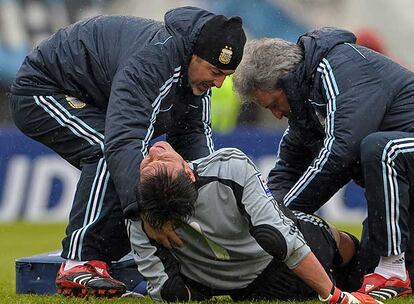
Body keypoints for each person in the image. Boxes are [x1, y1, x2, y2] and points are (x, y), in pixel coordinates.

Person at [8, 6, 246, 297]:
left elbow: (196, 145)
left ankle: (108, 254)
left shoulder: (194, 77)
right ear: (193, 55)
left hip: (94, 97)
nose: (220, 83)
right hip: (42, 88)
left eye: (226, 75)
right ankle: (78, 262)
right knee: (108, 149)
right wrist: (150, 213)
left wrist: (209, 207)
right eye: (215, 72)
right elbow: (123, 142)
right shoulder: (153, 61)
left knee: (139, 165)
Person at [232, 27, 414, 300]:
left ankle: (392, 270)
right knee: (355, 278)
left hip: (397, 155)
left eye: (273, 104)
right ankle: (380, 263)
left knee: (380, 149)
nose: (277, 114)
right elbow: (287, 171)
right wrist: (265, 219)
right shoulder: (305, 101)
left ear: (284, 78)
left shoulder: (340, 66)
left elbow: (342, 151)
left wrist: (280, 221)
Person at [129, 141, 380, 303]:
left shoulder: (137, 220)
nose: (153, 153)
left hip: (244, 292)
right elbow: (278, 238)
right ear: (188, 172)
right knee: (327, 234)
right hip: (282, 268)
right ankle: (367, 273)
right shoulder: (229, 166)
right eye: (157, 162)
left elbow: (165, 290)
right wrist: (335, 297)